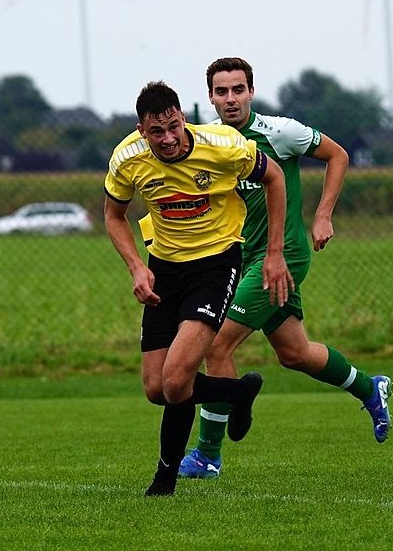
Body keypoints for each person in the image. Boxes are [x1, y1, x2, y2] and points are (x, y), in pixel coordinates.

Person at [178, 57, 392, 481]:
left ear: (251, 92)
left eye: (238, 89)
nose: (230, 98)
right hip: (239, 260)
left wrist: (323, 215)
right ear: (210, 98)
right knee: (295, 354)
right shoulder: (207, 143)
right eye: (221, 92)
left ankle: (207, 455)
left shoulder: (280, 132)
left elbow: (339, 155)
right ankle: (372, 388)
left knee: (216, 345)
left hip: (283, 256)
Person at [104, 81, 293, 496]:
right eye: (157, 132)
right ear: (141, 131)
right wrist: (136, 266)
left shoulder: (224, 145)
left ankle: (164, 480)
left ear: (183, 119)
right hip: (164, 270)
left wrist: (274, 251)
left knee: (176, 380)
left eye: (173, 127)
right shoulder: (127, 160)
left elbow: (275, 178)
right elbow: (113, 215)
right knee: (156, 389)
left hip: (216, 263)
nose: (168, 139)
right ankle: (239, 391)